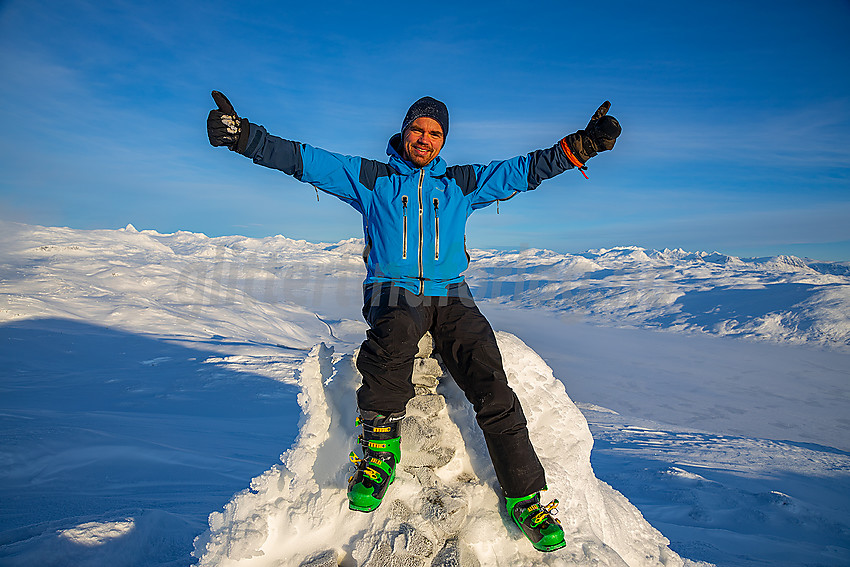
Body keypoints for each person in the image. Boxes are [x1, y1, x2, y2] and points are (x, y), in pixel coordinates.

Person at [207, 92, 621, 552]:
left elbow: (522, 170)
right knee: (392, 341)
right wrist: (244, 137)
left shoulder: (461, 184)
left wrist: (581, 146)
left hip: (451, 293)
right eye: (418, 130)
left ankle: (525, 496)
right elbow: (305, 160)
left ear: (443, 141)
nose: (425, 140)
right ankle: (379, 453)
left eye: (435, 134)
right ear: (404, 131)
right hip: (391, 286)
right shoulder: (372, 178)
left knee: (491, 381)